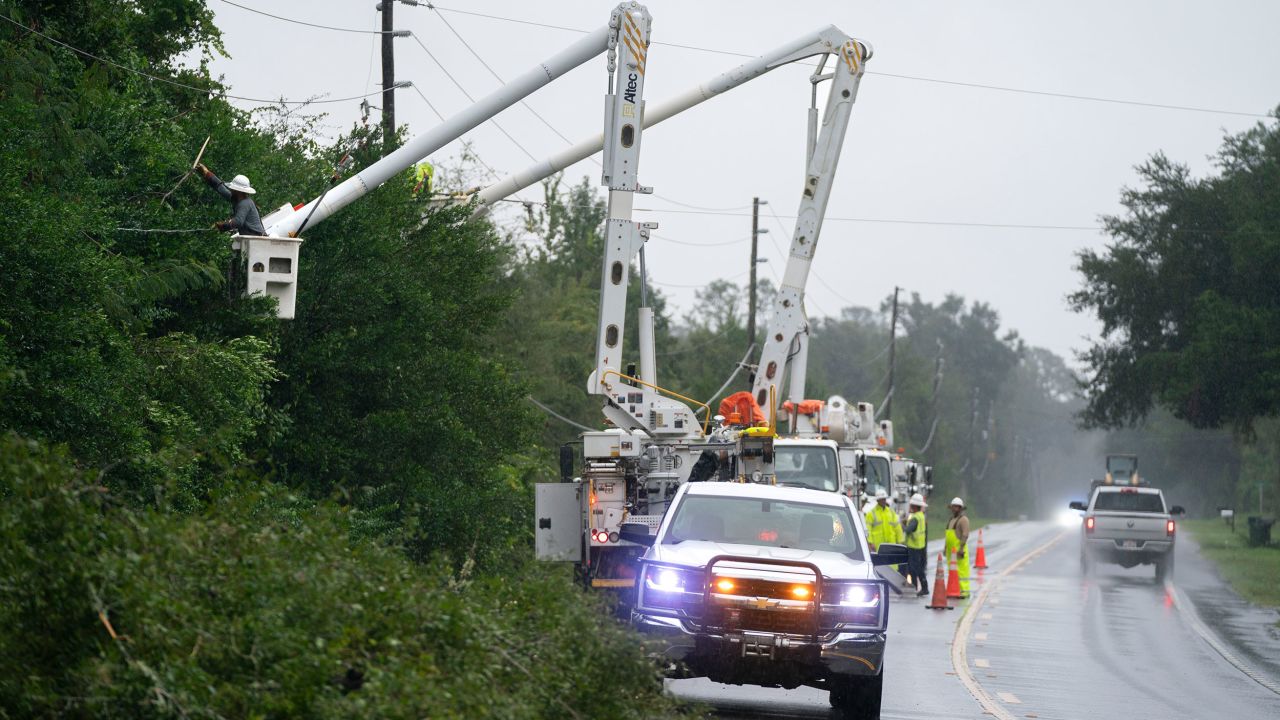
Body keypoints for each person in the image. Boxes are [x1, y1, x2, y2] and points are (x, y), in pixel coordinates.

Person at [199, 163, 265, 236]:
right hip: (250, 237)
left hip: (255, 238)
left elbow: (238, 222)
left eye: (233, 188)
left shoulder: (245, 203)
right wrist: (207, 173)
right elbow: (220, 188)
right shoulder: (236, 198)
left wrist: (222, 226)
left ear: (238, 191)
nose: (230, 189)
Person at [945, 496, 971, 596]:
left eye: (956, 507)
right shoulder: (951, 520)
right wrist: (945, 548)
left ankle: (963, 591)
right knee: (953, 572)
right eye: (953, 507)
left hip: (959, 552)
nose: (954, 509)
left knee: (961, 572)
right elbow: (948, 537)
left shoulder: (963, 520)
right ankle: (954, 589)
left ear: (960, 508)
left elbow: (965, 534)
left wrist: (961, 548)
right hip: (951, 554)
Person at [904, 493, 929, 596]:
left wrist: (903, 526)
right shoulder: (921, 516)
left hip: (914, 547)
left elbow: (909, 530)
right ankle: (924, 587)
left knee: (914, 569)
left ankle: (915, 587)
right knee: (920, 568)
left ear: (914, 506)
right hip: (921, 546)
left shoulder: (914, 518)